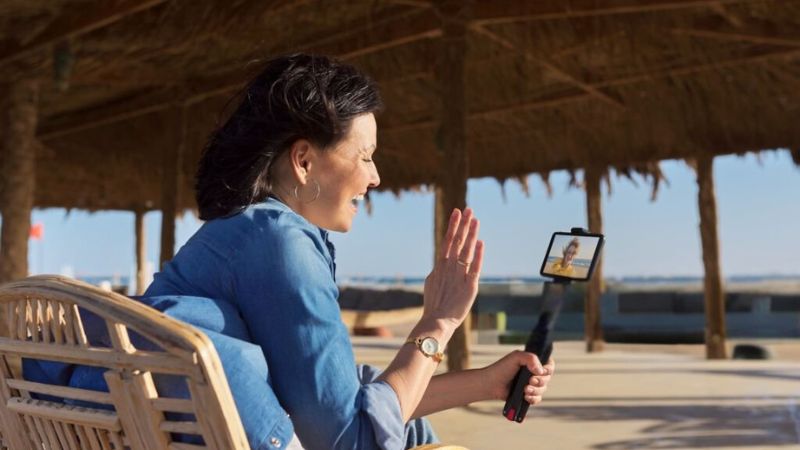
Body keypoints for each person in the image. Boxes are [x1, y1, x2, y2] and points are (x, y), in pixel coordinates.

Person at [141, 54, 554, 450]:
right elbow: (351, 441)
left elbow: (340, 404)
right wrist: (438, 322)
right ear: (303, 160)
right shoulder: (284, 246)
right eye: (365, 156)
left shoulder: (234, 234)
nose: (374, 177)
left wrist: (485, 383)